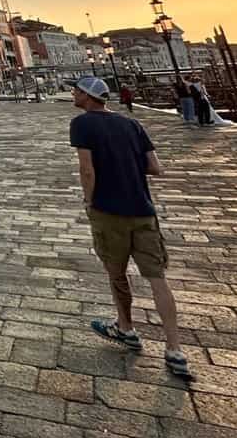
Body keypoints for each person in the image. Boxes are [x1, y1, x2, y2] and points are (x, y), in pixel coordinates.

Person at [70, 76, 192, 382]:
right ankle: (175, 349)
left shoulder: (83, 124)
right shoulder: (133, 125)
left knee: (116, 273)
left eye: (76, 90)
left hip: (109, 210)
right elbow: (155, 168)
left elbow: (87, 169)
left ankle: (126, 328)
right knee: (157, 279)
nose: (72, 94)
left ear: (87, 97)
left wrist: (89, 200)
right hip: (143, 210)